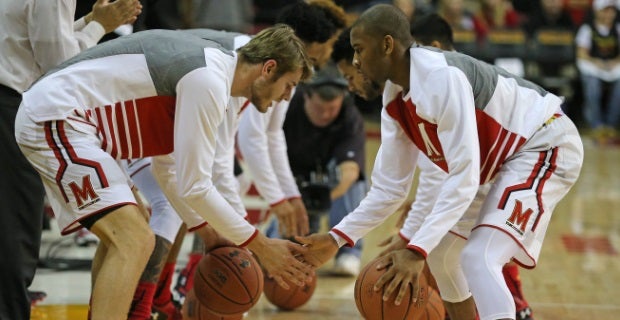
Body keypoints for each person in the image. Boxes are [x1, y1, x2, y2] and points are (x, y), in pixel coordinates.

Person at [298, 5, 583, 320]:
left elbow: (462, 177)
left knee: (479, 256)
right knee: (443, 255)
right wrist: (336, 238)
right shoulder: (394, 98)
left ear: (387, 45)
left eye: (359, 50)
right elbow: (389, 190)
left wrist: (414, 248)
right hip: (502, 164)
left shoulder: (439, 77)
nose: (354, 61)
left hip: (544, 143)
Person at [14, 24, 314, 319]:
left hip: (77, 125)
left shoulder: (213, 74)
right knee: (134, 239)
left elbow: (168, 168)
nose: (287, 97)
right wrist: (260, 245)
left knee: (132, 229)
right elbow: (195, 186)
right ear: (269, 68)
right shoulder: (209, 80)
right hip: (57, 116)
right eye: (289, 84)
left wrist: (208, 234)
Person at [0, 1, 141, 318]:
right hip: (11, 106)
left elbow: (31, 36)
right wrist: (99, 27)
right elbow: (59, 65)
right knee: (15, 233)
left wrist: (90, 20)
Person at [236, 0, 347, 240]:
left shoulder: (291, 69)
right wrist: (278, 199)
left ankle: (201, 266)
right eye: (329, 43)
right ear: (311, 40)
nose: (330, 52)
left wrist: (290, 195)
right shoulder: (265, 60)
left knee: (232, 184)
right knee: (225, 190)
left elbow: (272, 135)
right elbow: (251, 137)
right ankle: (201, 267)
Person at [275, 66, 368, 276]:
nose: (325, 115)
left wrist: (324, 198)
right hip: (291, 178)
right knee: (279, 240)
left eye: (331, 109)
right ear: (306, 96)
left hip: (330, 181)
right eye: (319, 109)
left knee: (356, 181)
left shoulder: (350, 115)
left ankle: (348, 252)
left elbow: (351, 170)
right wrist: (292, 199)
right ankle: (277, 242)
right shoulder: (286, 107)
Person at [575, 0, 620, 143]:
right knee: (592, 85)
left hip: (612, 66)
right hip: (594, 66)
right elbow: (581, 53)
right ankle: (597, 125)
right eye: (605, 10)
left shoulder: (618, 29)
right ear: (597, 11)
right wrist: (598, 62)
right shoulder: (587, 29)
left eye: (611, 10)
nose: (609, 14)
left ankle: (611, 125)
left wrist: (614, 62)